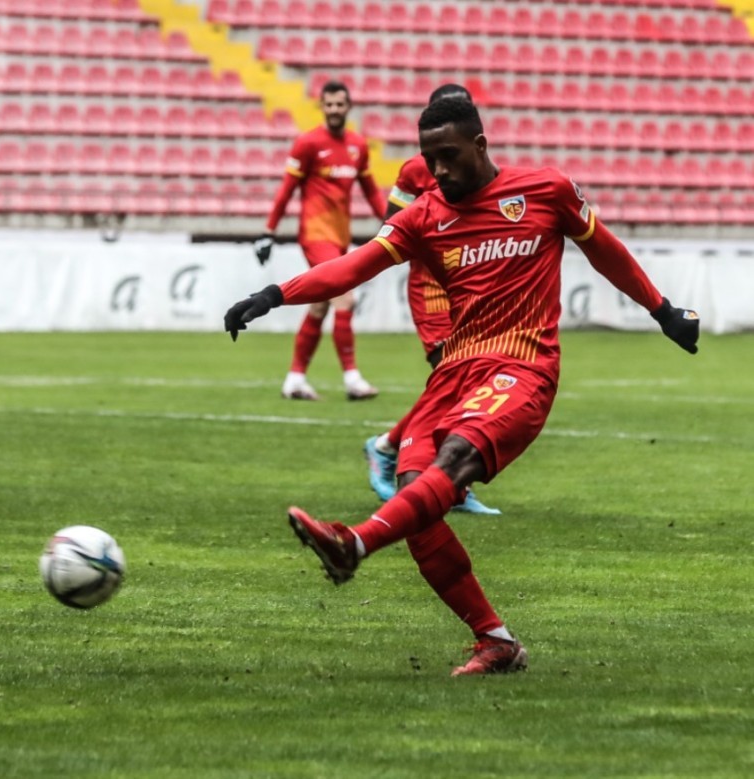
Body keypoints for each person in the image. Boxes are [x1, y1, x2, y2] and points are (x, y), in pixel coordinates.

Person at [225, 98, 699, 676]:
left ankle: (354, 545)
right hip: (452, 373)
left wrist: (662, 310)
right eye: (430, 159)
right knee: (416, 504)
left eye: (448, 156)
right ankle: (495, 640)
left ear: (480, 144)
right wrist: (275, 294)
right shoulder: (424, 214)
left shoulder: (546, 191)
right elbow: (356, 265)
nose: (439, 170)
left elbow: (605, 251)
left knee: (454, 461)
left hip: (521, 365)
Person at [363, 83, 499, 515]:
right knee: (453, 377)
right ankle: (442, 477)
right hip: (430, 287)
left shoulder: (477, 166)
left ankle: (392, 449)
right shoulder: (413, 172)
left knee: (465, 382)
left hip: (468, 286)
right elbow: (391, 227)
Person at [254, 80, 386, 401]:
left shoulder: (358, 145)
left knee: (320, 306)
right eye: (329, 104)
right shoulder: (308, 143)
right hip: (315, 236)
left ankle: (295, 379)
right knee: (345, 299)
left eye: (339, 104)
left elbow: (370, 191)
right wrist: (268, 231)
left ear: (348, 107)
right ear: (322, 107)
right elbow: (286, 190)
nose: (334, 110)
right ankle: (353, 379)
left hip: (339, 238)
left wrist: (393, 221)